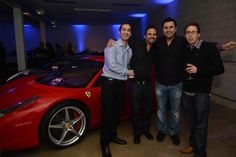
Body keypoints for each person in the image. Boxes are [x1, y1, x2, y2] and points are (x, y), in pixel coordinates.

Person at [154, 17, 236, 145]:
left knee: (175, 111)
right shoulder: (158, 42)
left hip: (177, 84)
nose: (168, 29)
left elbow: (205, 45)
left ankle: (174, 132)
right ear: (162, 30)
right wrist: (112, 41)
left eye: (171, 27)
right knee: (160, 110)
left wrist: (222, 46)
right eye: (166, 27)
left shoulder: (182, 41)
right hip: (160, 83)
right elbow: (146, 43)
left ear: (175, 29)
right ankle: (161, 130)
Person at [180, 22, 224, 157]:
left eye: (193, 32)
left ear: (199, 34)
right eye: (188, 32)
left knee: (201, 124)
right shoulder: (186, 49)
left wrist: (198, 70)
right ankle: (193, 145)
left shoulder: (209, 48)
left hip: (201, 94)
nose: (190, 34)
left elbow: (219, 69)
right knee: (192, 123)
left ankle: (200, 152)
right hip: (187, 93)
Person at [100, 23, 134, 157]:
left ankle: (112, 136)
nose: (126, 32)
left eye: (128, 30)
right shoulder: (111, 45)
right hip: (109, 84)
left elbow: (126, 65)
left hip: (120, 85)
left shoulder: (129, 50)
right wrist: (128, 72)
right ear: (119, 32)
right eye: (123, 30)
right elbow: (112, 65)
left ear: (131, 33)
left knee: (117, 113)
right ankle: (104, 143)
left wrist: (127, 73)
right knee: (107, 115)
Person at [129, 26, 158, 144]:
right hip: (135, 85)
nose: (152, 36)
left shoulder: (155, 49)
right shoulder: (136, 43)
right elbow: (123, 43)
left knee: (147, 110)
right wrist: (111, 40)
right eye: (149, 34)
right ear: (145, 35)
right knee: (136, 110)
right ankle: (137, 133)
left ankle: (146, 130)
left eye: (154, 34)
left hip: (148, 85)